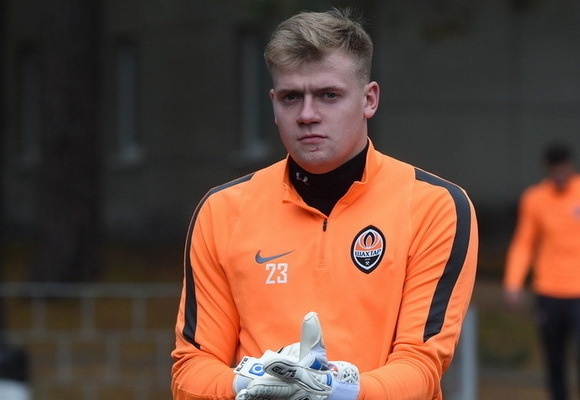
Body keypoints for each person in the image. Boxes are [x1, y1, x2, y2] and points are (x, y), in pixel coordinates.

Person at [171, 8, 478, 400]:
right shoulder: (222, 210)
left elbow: (421, 367)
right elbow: (191, 369)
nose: (307, 115)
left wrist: (337, 391)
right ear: (273, 104)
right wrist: (249, 384)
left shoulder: (435, 206)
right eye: (291, 97)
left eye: (328, 95)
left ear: (369, 99)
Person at [503, 143, 580, 400]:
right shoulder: (535, 199)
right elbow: (524, 243)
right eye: (555, 172)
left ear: (571, 167)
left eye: (563, 170)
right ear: (548, 171)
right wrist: (513, 282)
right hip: (548, 291)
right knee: (554, 359)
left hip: (578, 291)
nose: (560, 176)